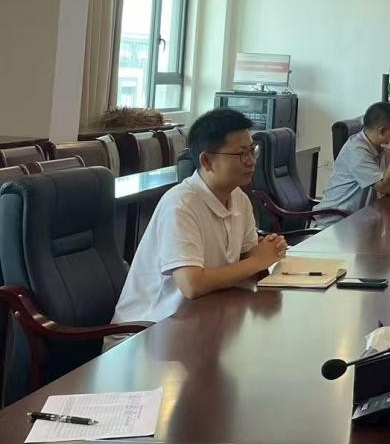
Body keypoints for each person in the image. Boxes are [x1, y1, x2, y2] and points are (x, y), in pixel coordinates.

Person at [113, 108, 288, 324]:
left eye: (253, 150)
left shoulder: (239, 198)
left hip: (203, 318)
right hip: (149, 328)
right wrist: (258, 261)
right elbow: (192, 284)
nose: (251, 161)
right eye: (241, 154)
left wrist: (268, 249)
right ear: (206, 161)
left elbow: (246, 258)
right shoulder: (181, 205)